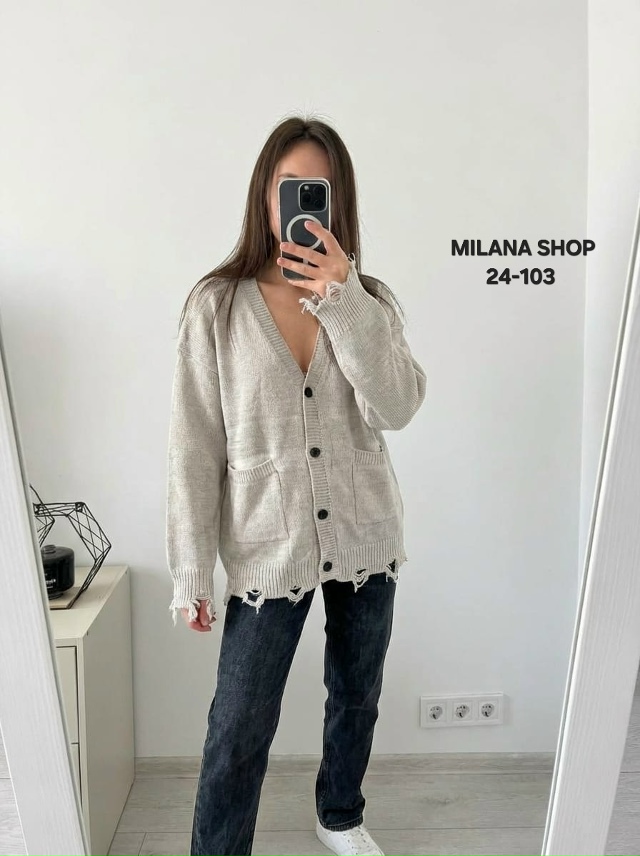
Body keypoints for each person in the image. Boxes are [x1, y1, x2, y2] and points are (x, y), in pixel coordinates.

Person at [165, 114, 427, 856]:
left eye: (321, 188)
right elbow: (193, 446)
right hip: (267, 544)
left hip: (365, 532)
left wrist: (345, 300)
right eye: (291, 186)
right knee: (240, 722)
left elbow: (396, 407)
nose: (305, 202)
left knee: (356, 693)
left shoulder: (370, 301)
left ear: (340, 201)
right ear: (265, 195)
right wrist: (191, 569)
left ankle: (339, 814)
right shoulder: (217, 305)